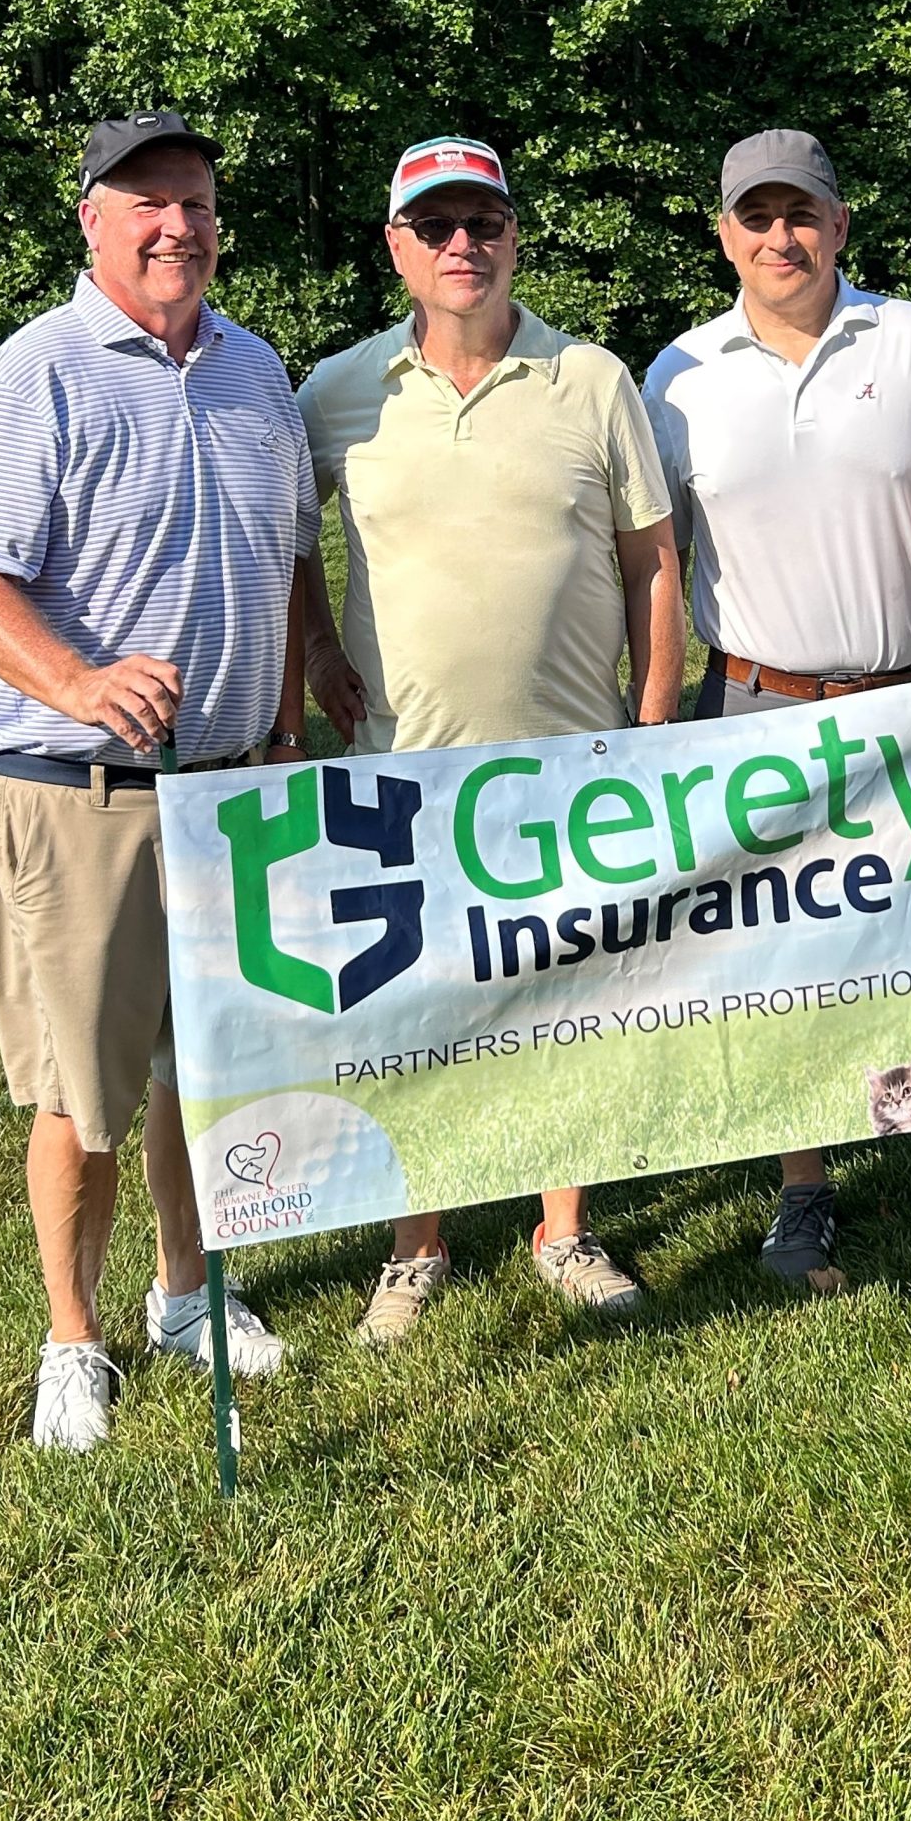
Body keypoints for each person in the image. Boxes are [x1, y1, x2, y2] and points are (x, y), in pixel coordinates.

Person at [0, 110, 316, 1450]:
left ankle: (184, 1295)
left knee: (202, 1073)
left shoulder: (254, 370)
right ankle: (70, 1338)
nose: (178, 226)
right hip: (74, 788)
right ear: (89, 219)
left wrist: (280, 716)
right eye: (146, 202)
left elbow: (285, 560)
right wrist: (81, 685)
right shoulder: (34, 375)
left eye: (199, 202)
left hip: (227, 792)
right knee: (83, 1093)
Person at [642, 128, 911, 1288]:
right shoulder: (677, 374)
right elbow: (654, 562)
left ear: (839, 225)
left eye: (802, 214)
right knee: (784, 960)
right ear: (724, 233)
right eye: (756, 217)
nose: (780, 237)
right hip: (753, 705)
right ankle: (804, 1190)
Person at [298, 135, 685, 1347]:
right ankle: (418, 1243)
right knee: (417, 1007)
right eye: (436, 227)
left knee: (566, 998)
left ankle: (561, 1225)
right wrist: (316, 653)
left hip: (572, 758)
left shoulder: (590, 379)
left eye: (485, 222)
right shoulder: (338, 391)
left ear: (516, 234)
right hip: (401, 767)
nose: (463, 246)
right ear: (398, 247)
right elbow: (288, 539)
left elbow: (651, 558)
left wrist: (657, 708)